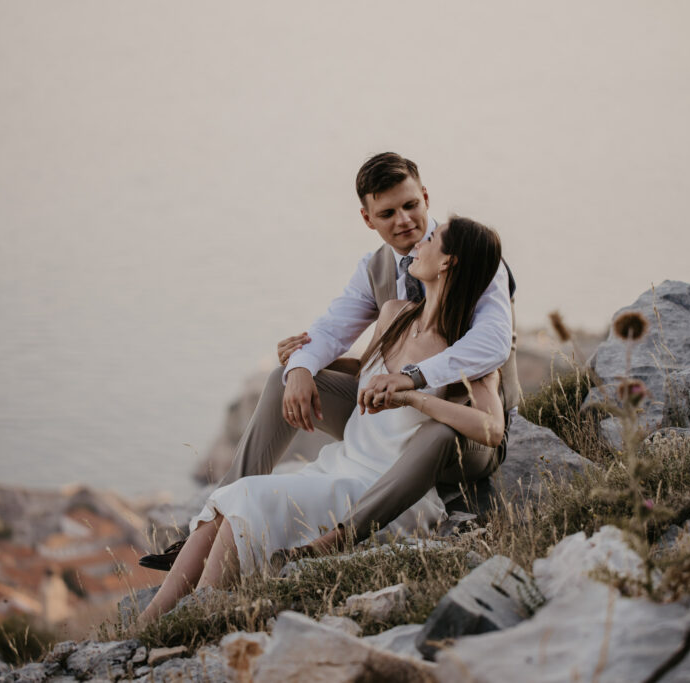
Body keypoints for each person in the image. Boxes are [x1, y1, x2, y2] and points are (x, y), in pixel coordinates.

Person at [139, 152, 519, 571]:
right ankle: (217, 516)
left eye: (411, 205)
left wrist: (412, 381)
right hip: (389, 427)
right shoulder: (375, 270)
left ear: (425, 197)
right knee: (282, 379)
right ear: (368, 219)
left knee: (438, 433)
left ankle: (341, 537)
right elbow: (333, 329)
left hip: (463, 432)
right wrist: (301, 365)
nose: (404, 221)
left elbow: (493, 342)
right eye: (387, 212)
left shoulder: (470, 255)